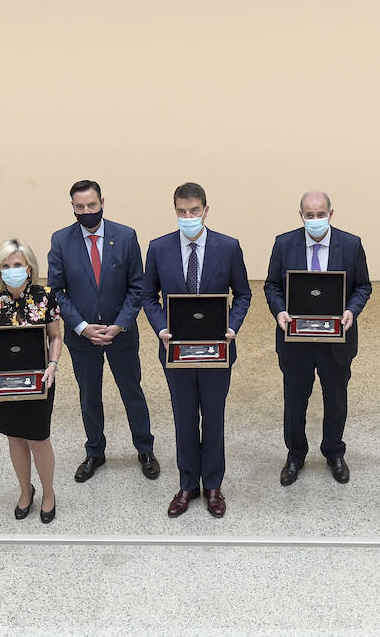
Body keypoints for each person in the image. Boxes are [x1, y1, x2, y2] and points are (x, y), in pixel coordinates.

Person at [143, 182, 251, 518]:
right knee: (184, 418)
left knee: (214, 417)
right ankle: (188, 483)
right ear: (175, 211)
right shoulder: (159, 248)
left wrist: (232, 328)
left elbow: (243, 294)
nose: (187, 217)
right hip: (176, 352)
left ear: (205, 209)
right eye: (181, 211)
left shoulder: (228, 247)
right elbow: (148, 296)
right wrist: (161, 329)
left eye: (193, 211)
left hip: (217, 351)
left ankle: (213, 486)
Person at [47, 180, 159, 484]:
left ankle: (145, 449)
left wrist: (120, 323)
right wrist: (82, 328)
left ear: (102, 202)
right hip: (82, 337)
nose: (86, 211)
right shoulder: (61, 241)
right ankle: (95, 451)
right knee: (89, 395)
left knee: (131, 391)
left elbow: (138, 285)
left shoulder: (125, 236)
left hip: (120, 333)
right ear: (72, 208)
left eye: (91, 205)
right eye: (79, 207)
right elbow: (57, 291)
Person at [263, 191, 373, 486]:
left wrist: (351, 310)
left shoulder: (350, 245)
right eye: (309, 215)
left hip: (337, 340)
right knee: (294, 400)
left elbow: (363, 286)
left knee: (336, 399)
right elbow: (272, 285)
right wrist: (280, 312)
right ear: (300, 215)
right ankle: (295, 455)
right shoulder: (284, 243)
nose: (315, 220)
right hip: (295, 339)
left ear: (331, 213)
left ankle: (334, 451)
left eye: (320, 214)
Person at [0, 239, 63, 523]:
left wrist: (52, 365)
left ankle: (48, 493)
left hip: (39, 381)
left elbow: (56, 336)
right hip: (2, 382)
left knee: (38, 439)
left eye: (17, 265)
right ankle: (26, 491)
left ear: (28, 267)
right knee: (15, 438)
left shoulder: (45, 296)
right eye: (6, 266)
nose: (11, 270)